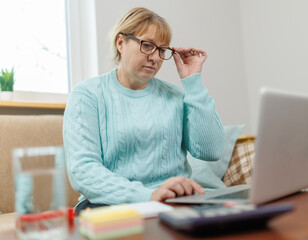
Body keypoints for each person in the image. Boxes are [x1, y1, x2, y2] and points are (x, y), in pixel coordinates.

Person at [63, 7, 225, 214]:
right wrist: (148, 196)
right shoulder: (88, 94)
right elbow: (83, 171)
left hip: (174, 203)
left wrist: (192, 82)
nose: (156, 58)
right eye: (147, 45)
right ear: (120, 42)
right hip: (110, 205)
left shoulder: (175, 95)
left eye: (162, 50)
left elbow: (211, 150)